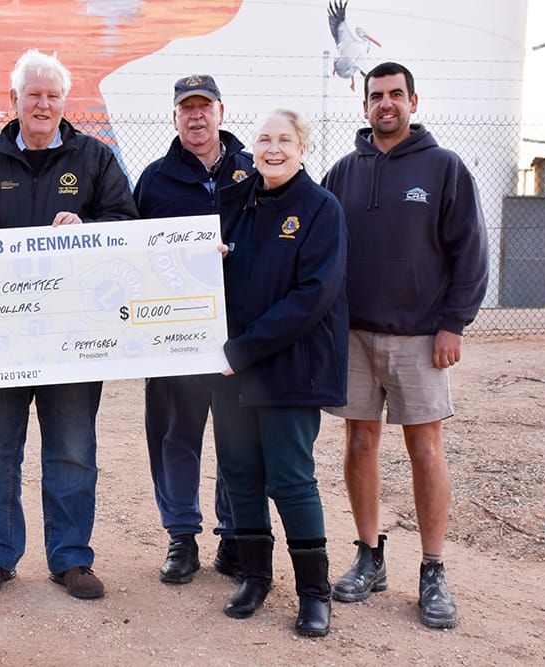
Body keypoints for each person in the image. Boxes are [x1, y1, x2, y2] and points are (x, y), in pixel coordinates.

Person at [0, 49, 138, 600]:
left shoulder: (95, 159)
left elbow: (126, 225)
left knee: (73, 447)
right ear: (14, 101)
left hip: (73, 341)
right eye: (33, 94)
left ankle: (71, 557)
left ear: (64, 102)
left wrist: (89, 225)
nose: (43, 104)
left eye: (53, 95)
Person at [321, 62, 488, 630]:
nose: (385, 103)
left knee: (425, 450)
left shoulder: (444, 168)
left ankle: (433, 568)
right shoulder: (342, 171)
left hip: (421, 337)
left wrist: (453, 324)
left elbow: (470, 251)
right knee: (360, 442)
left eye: (396, 94)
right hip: (354, 335)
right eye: (376, 96)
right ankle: (369, 556)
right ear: (364, 105)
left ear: (414, 100)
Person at [212, 109, 348, 637]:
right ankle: (255, 577)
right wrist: (212, 260)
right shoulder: (236, 203)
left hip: (288, 368)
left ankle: (314, 593)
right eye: (264, 139)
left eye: (284, 140)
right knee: (240, 474)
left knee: (290, 480)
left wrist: (242, 350)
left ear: (302, 148)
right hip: (231, 369)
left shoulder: (320, 209)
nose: (273, 148)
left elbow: (312, 297)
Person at [132, 74, 253, 585]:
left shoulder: (253, 171)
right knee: (176, 434)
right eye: (187, 108)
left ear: (222, 112)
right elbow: (129, 247)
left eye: (205, 107)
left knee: (236, 436)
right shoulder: (156, 179)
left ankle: (232, 537)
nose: (196, 116)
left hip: (238, 334)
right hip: (174, 336)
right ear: (175, 116)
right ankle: (181, 536)